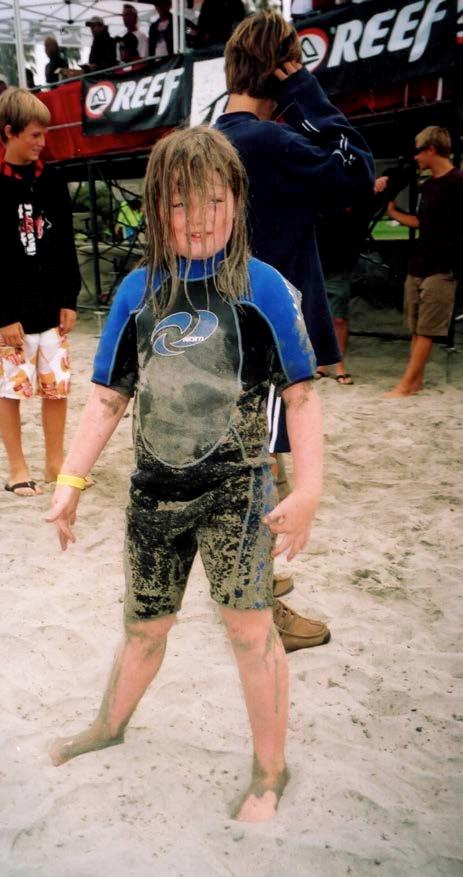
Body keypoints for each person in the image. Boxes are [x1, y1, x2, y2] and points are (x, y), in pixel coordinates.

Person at [47, 126, 323, 822]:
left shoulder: (263, 288)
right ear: (154, 208)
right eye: (179, 203)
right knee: (145, 625)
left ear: (237, 199)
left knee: (249, 631)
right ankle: (108, 724)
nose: (198, 218)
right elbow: (107, 398)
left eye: (213, 199)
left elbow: (300, 395)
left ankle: (270, 770)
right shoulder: (137, 293)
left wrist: (309, 489)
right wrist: (70, 482)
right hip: (154, 493)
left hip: (239, 491)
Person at [215, 10, 374, 648]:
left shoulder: (207, 141)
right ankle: (261, 616)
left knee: (250, 467)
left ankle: (253, 590)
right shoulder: (271, 144)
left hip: (221, 335)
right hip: (270, 340)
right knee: (259, 479)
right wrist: (307, 91)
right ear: (280, 69)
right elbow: (358, 170)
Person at [0, 88, 81, 496]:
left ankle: (55, 463)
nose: (41, 142)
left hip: (51, 307)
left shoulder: (52, 179)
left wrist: (69, 298)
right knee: (9, 389)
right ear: (9, 132)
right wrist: (1, 314)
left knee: (57, 387)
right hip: (10, 312)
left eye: (44, 134)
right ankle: (17, 468)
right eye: (34, 134)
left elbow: (65, 240)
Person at [385, 126, 463, 397]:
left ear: (431, 149)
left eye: (418, 151)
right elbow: (421, 222)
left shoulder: (458, 183)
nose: (415, 157)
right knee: (417, 327)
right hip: (420, 263)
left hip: (443, 267)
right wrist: (394, 213)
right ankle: (415, 381)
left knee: (428, 328)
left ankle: (405, 385)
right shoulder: (428, 185)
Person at [315, 176, 389, 385]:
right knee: (318, 317)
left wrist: (381, 181)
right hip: (316, 267)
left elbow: (387, 184)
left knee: (339, 317)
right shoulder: (317, 202)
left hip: (338, 268)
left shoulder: (357, 205)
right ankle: (321, 363)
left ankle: (338, 364)